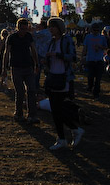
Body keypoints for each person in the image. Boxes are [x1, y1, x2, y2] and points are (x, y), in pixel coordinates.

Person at [45, 17, 84, 150]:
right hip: (52, 76)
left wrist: (57, 54)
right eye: (49, 26)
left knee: (58, 109)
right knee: (55, 110)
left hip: (63, 77)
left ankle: (73, 130)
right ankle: (63, 137)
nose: (51, 29)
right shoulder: (51, 41)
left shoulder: (66, 40)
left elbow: (73, 57)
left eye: (53, 26)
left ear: (59, 28)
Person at [3, 18, 40, 124]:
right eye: (22, 29)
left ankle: (32, 115)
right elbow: (6, 53)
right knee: (20, 92)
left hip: (28, 67)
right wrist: (4, 68)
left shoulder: (29, 36)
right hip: (16, 67)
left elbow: (33, 50)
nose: (23, 31)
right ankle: (18, 114)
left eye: (25, 29)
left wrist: (36, 64)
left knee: (32, 90)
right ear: (17, 28)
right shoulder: (11, 38)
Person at [82, 22, 108, 98]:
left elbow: (106, 47)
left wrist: (100, 47)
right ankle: (90, 87)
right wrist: (82, 57)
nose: (95, 31)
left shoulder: (102, 37)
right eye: (94, 30)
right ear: (91, 30)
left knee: (98, 78)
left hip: (99, 60)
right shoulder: (88, 37)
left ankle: (96, 92)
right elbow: (85, 48)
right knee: (90, 76)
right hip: (90, 59)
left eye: (97, 30)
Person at [33, 21, 52, 89]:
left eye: (39, 25)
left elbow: (34, 34)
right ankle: (45, 84)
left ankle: (36, 85)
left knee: (38, 70)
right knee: (45, 71)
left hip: (41, 53)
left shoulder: (44, 32)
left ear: (43, 26)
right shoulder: (46, 32)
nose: (38, 26)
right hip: (44, 53)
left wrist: (34, 28)